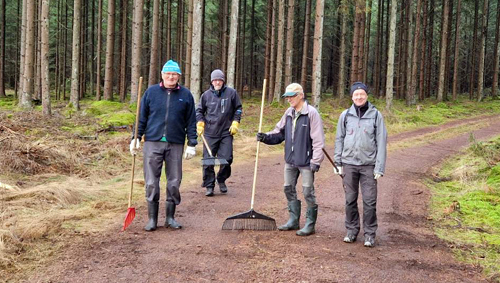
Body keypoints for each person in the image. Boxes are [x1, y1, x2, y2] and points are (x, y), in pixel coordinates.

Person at [129, 60, 198, 231]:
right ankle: (152, 219)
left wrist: (192, 143)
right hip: (152, 142)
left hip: (175, 143)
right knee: (152, 181)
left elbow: (191, 121)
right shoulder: (151, 92)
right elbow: (141, 117)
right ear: (162, 75)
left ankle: (170, 218)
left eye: (174, 74)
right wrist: (136, 137)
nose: (171, 77)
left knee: (174, 181)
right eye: (168, 73)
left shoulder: (186, 95)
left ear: (179, 76)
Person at [256, 83, 325, 236]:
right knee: (288, 187)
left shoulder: (311, 113)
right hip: (290, 159)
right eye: (287, 97)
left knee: (307, 191)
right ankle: (293, 220)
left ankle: (310, 224)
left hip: (306, 161)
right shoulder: (288, 113)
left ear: (301, 95)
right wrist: (265, 137)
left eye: (291, 96)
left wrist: (316, 161)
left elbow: (318, 140)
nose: (289, 99)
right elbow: (279, 133)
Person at [333, 82, 387, 247]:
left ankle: (370, 234)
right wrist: (338, 162)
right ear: (352, 97)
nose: (359, 97)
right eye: (356, 95)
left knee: (370, 201)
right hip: (348, 164)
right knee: (350, 199)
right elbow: (339, 139)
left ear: (367, 96)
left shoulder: (376, 115)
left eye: (362, 94)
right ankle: (351, 230)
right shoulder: (345, 115)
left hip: (368, 165)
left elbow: (381, 141)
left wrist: (379, 167)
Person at [195, 69, 242, 196]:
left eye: (219, 80)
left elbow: (238, 109)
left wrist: (235, 122)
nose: (217, 82)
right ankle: (209, 185)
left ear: (223, 81)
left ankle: (221, 179)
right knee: (208, 161)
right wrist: (200, 123)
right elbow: (199, 111)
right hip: (210, 133)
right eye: (215, 80)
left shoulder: (231, 93)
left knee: (226, 159)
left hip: (226, 132)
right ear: (212, 81)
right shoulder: (206, 95)